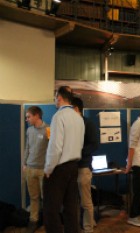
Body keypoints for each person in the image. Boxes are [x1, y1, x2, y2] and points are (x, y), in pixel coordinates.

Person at [43, 86, 85, 233]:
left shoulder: (58, 117)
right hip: (73, 167)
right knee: (71, 208)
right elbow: (79, 144)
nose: (55, 100)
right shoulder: (78, 118)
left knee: (50, 209)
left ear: (59, 97)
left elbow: (55, 147)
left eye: (55, 97)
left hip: (58, 169)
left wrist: (48, 169)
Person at [71, 97, 98, 233]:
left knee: (85, 201)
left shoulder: (88, 124)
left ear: (76, 109)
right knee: (73, 201)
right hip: (70, 169)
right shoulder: (69, 124)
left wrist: (78, 153)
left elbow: (94, 145)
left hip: (83, 167)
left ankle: (88, 228)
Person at [23, 106, 49, 233]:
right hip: (30, 169)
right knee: (33, 197)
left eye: (28, 116)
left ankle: (48, 222)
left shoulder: (48, 129)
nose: (27, 119)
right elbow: (27, 148)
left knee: (46, 198)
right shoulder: (29, 130)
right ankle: (34, 220)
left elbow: (53, 150)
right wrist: (24, 164)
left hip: (43, 170)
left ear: (37, 115)